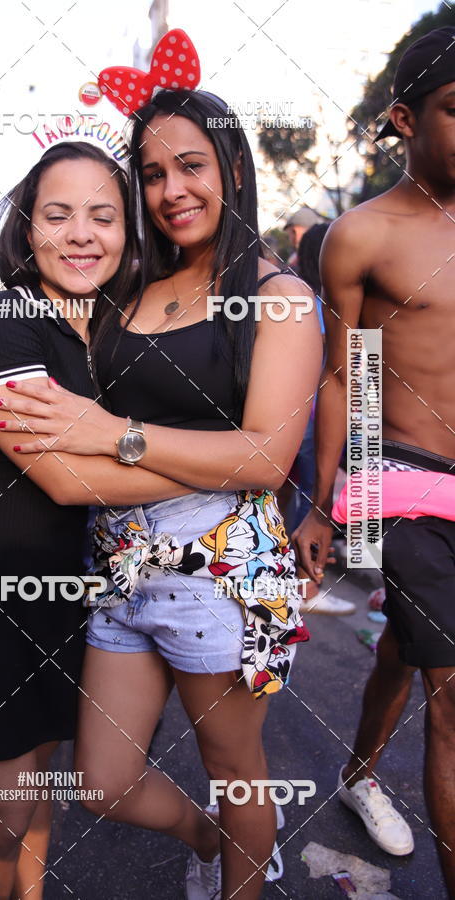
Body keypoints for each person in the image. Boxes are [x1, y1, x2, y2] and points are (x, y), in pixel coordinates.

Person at [0, 72, 322, 897]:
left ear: (233, 171)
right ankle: (217, 840)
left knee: (235, 768)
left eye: (192, 165)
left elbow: (264, 460)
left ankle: (244, 865)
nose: (172, 189)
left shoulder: (276, 296)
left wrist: (114, 434)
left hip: (220, 566)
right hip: (120, 564)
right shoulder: (130, 290)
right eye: (151, 173)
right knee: (103, 782)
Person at [0, 141, 196, 900]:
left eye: (103, 215)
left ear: (131, 231)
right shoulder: (3, 319)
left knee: (35, 811)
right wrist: (232, 464)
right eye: (57, 215)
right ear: (27, 229)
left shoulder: (114, 336)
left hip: (65, 602)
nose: (82, 234)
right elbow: (66, 478)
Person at [293, 27, 455, 893]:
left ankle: (357, 774)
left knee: (409, 649)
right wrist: (321, 506)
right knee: (452, 685)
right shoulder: (360, 238)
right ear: (405, 117)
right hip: (407, 480)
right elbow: (340, 381)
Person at [290, 223, 355, 616]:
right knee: (314, 498)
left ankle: (297, 583)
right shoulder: (318, 307)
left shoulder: (301, 299)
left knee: (299, 497)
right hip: (313, 420)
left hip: (300, 419)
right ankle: (306, 589)